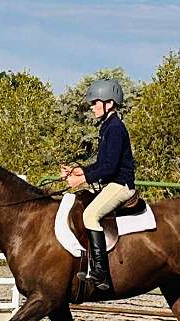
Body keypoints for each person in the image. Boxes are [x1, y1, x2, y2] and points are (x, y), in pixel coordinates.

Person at [60, 79, 136, 290]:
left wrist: (81, 179)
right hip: (112, 183)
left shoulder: (115, 128)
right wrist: (78, 171)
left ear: (109, 103)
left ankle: (101, 273)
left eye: (95, 102)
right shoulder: (107, 126)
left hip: (121, 185)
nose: (92, 107)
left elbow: (109, 167)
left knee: (90, 215)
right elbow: (101, 164)